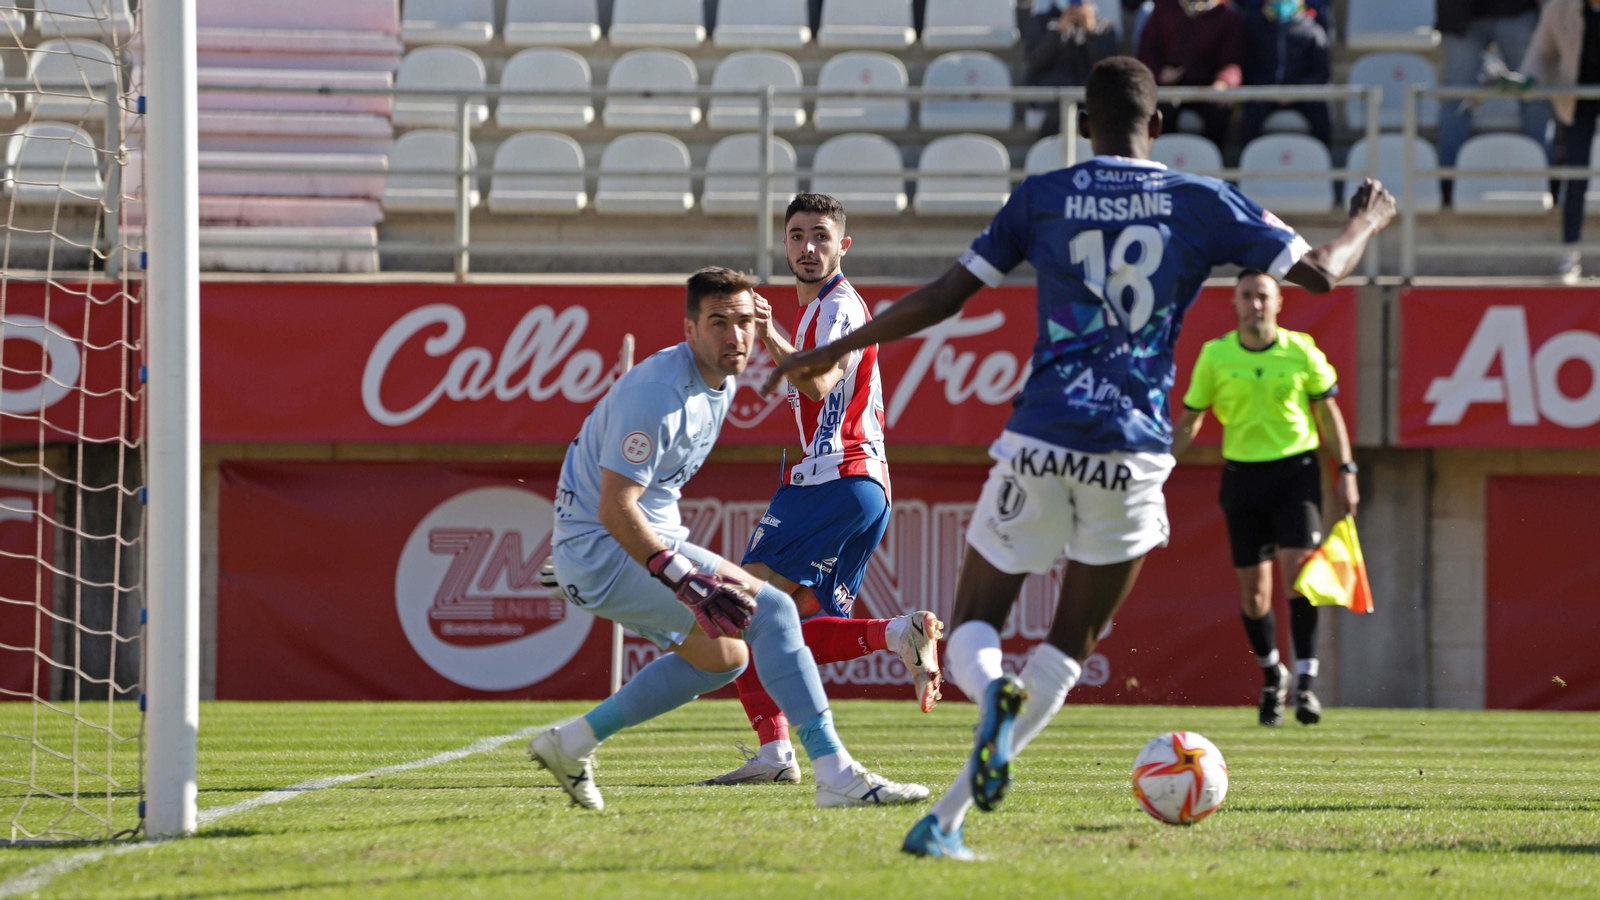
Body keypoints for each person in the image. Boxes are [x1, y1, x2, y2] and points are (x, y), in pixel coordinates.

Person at [765, 56, 1396, 860]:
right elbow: (1320, 276)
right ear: (1158, 127)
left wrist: (833, 348)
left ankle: (979, 727)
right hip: (1132, 454)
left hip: (1041, 438)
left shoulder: (1046, 195)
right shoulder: (1199, 199)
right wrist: (1367, 221)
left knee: (973, 630)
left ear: (1084, 126)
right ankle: (950, 817)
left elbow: (944, 297)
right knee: (1071, 644)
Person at [532, 267, 929, 810]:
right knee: (775, 616)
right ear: (690, 328)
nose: (735, 336)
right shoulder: (658, 393)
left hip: (619, 547)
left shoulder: (718, 382)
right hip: (604, 550)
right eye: (718, 322)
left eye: (744, 321)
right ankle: (836, 773)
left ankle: (570, 743)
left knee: (725, 656)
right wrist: (681, 575)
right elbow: (615, 505)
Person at [701, 193, 944, 786]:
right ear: (784, 244)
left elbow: (817, 382)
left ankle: (776, 753)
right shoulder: (819, 311)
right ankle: (896, 633)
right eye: (798, 236)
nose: (809, 247)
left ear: (843, 246)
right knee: (791, 631)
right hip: (863, 487)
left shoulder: (838, 306)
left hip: (836, 474)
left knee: (735, 609)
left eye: (821, 237)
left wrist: (768, 335)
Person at [1171, 271, 1358, 727]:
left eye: (1262, 296)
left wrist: (1347, 470)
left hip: (1296, 473)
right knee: (1255, 596)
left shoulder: (1301, 350)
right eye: (1246, 296)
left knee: (1299, 575)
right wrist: (1157, 470)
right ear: (1234, 304)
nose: (1255, 304)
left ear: (1278, 303)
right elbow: (1191, 418)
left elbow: (1327, 412)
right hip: (1243, 477)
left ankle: (1307, 684)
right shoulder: (1216, 355)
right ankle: (1273, 672)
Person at [1519, 0, 1600, 282]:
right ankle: (1569, 254)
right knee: (1575, 177)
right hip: (1577, 102)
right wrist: (1526, 79)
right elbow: (1541, 51)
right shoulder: (1560, 7)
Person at [1439, 1, 1551, 174]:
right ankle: (1446, 183)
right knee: (1455, 100)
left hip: (1519, 11)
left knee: (1534, 96)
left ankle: (1543, 178)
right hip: (1458, 15)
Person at [1137, 0, 1243, 148]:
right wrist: (1159, 73)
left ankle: (1212, 163)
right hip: (1169, 87)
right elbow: (1147, 50)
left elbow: (1231, 61)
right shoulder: (1164, 8)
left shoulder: (1227, 16)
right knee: (1160, 109)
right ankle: (1163, 159)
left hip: (1208, 89)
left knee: (1220, 109)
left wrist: (1223, 82)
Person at [1239, 0, 1332, 147]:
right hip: (1267, 92)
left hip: (1302, 93)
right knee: (1251, 113)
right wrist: (1271, 90)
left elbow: (1321, 74)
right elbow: (1250, 70)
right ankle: (1247, 161)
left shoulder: (1313, 31)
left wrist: (1295, 91)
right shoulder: (1257, 29)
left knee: (1320, 113)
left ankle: (1325, 160)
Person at [1024, 0, 1121, 137]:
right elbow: (1035, 62)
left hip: (1090, 92)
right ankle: (1048, 155)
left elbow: (1107, 67)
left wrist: (1091, 30)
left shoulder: (1105, 26)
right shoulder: (1041, 22)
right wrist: (1059, 31)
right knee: (1059, 111)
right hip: (1051, 92)